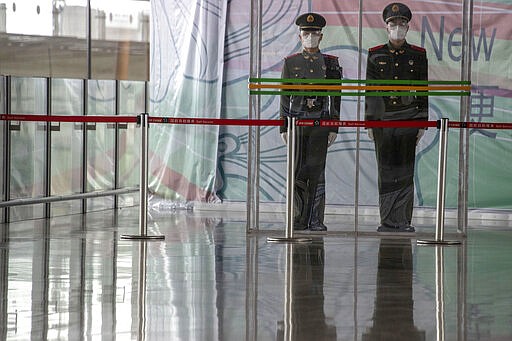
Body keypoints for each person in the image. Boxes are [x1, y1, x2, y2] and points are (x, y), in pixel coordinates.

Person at [365, 3, 428, 232]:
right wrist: (369, 122)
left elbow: (423, 90)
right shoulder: (375, 54)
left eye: (402, 23)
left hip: (409, 120)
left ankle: (403, 220)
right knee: (385, 170)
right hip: (383, 121)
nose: (397, 27)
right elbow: (370, 91)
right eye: (393, 23)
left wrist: (423, 122)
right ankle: (387, 220)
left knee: (405, 170)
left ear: (408, 27)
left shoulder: (418, 55)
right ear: (386, 27)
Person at [280, 13, 342, 232]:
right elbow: (285, 97)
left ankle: (315, 219)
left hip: (319, 123)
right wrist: (283, 126)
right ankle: (297, 218)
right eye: (306, 33)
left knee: (317, 172)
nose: (310, 37)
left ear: (321, 36)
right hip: (296, 124)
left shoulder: (331, 63)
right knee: (297, 172)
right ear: (299, 35)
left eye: (314, 33)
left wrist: (334, 125)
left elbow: (336, 97)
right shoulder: (291, 62)